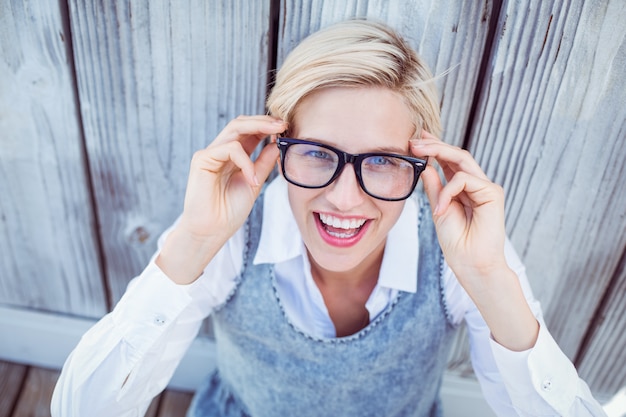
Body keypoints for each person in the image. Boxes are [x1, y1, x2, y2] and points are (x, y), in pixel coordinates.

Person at [51, 19, 607, 417]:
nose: (344, 199)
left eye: (384, 162)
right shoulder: (228, 231)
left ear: (423, 160)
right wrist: (192, 244)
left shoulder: (461, 245)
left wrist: (489, 282)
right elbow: (81, 408)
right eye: (318, 152)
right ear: (278, 146)